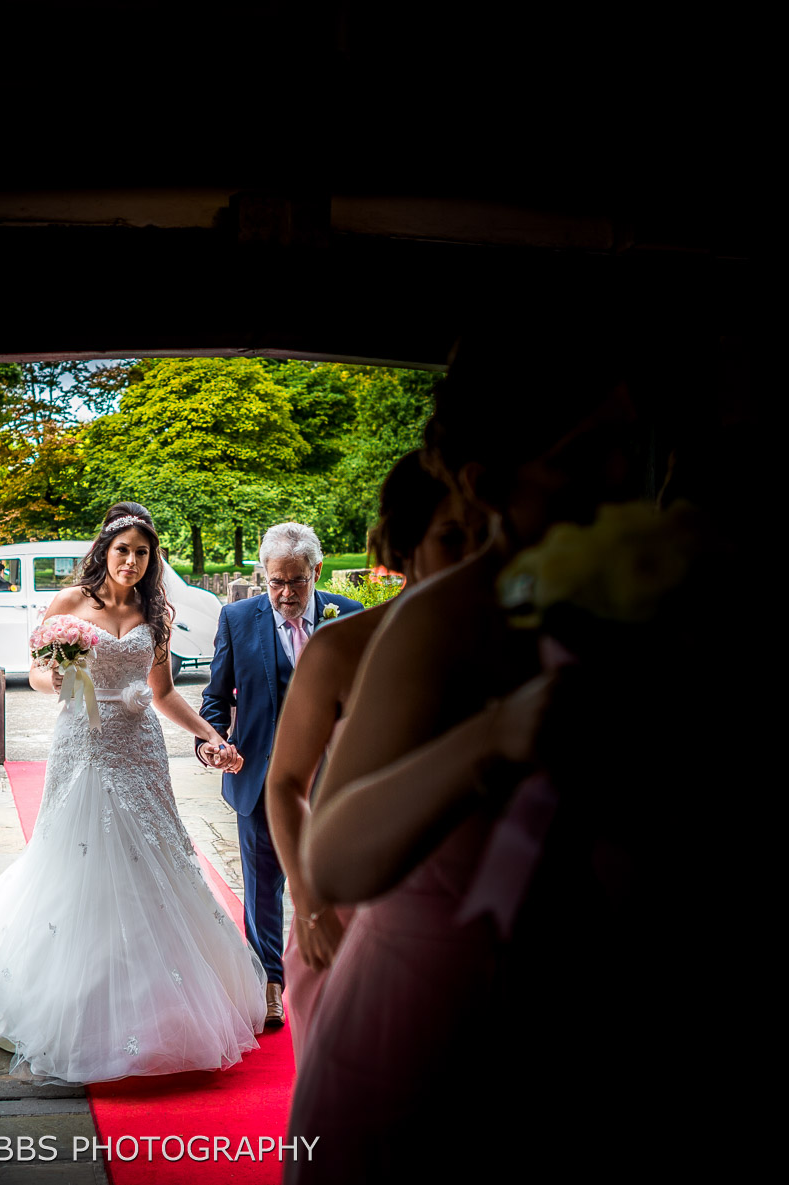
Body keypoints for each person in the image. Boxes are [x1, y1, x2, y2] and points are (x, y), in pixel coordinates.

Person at [283, 320, 652, 1182]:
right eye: (585, 452)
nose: (620, 476)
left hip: (583, 1014)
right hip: (426, 1025)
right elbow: (332, 851)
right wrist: (496, 734)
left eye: (627, 445)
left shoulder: (641, 610)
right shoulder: (441, 621)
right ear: (489, 483)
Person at [0, 504, 267, 1084]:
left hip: (142, 749)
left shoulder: (158, 612)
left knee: (155, 855)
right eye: (123, 549)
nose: (131, 561)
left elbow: (162, 694)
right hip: (83, 741)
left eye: (143, 552)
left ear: (153, 559)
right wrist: (51, 675)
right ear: (104, 550)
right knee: (78, 856)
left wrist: (211, 733)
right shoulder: (69, 604)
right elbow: (32, 671)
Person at [265, 453, 483, 1030]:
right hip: (353, 898)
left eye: (489, 534)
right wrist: (309, 906)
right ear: (404, 545)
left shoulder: (522, 642)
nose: (475, 557)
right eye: (455, 537)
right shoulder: (343, 647)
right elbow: (286, 783)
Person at [196, 522, 362, 1028]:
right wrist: (212, 744)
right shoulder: (236, 619)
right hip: (258, 777)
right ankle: (270, 981)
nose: (286, 593)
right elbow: (215, 699)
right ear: (264, 576)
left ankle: (338, 976)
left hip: (333, 780)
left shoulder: (348, 616)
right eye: (276, 582)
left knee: (331, 881)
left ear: (316, 571)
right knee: (262, 884)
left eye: (296, 581)